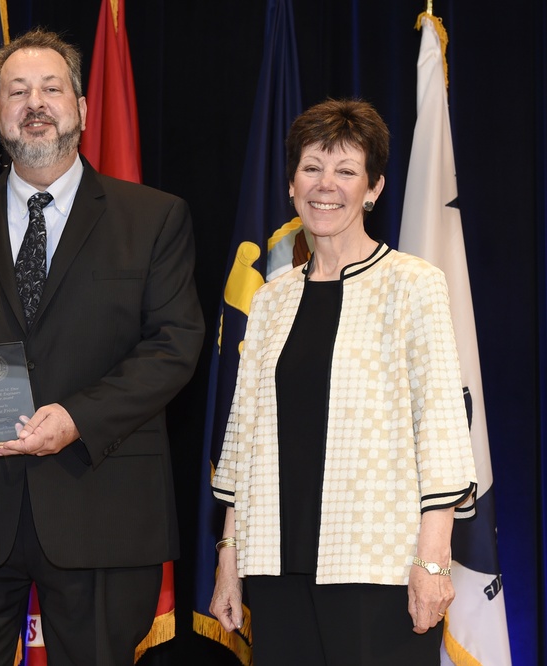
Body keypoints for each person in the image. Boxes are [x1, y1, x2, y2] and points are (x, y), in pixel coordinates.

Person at [0, 28, 204, 666]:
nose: (35, 103)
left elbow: (174, 344)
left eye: (51, 89)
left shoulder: (154, 217)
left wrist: (78, 417)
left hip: (100, 503)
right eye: (16, 91)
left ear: (81, 107)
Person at [208, 98, 478, 665]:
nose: (325, 185)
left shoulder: (413, 284)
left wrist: (432, 563)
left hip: (377, 567)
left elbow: (443, 431)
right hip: (276, 565)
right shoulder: (272, 297)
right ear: (290, 183)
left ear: (374, 188)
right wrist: (229, 559)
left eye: (346, 170)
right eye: (311, 167)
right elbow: (242, 441)